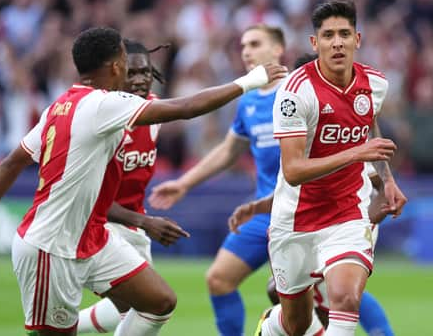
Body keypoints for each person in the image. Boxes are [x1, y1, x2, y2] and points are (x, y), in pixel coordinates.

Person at [0, 26, 287, 336]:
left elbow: (14, 160)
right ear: (116, 65)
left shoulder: (62, 105)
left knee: (159, 303)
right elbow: (187, 108)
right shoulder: (105, 105)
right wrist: (254, 79)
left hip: (92, 235)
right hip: (51, 245)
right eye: (128, 62)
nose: (135, 72)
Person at [149, 27, 398, 336]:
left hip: (316, 208)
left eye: (255, 44)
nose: (246, 52)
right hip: (269, 209)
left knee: (334, 288)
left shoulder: (302, 94)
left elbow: (357, 140)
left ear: (279, 50)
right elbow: (229, 150)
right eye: (242, 45)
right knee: (219, 279)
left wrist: (381, 181)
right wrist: (184, 183)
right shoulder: (249, 102)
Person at [258, 0, 406, 336]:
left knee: (345, 298)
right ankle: (271, 326)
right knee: (295, 324)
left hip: (347, 213)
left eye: (344, 34)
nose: (336, 42)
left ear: (358, 39)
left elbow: (370, 126)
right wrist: (357, 153)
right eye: (328, 36)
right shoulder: (295, 93)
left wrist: (387, 180)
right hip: (295, 219)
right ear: (315, 43)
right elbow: (293, 170)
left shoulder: (376, 84)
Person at [76, 38, 180, 334]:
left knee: (143, 306)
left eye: (144, 72)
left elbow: (189, 108)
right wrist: (146, 222)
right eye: (131, 73)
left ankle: (60, 329)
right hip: (99, 225)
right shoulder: (100, 121)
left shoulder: (155, 111)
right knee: (151, 305)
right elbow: (91, 196)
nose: (138, 80)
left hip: (133, 224)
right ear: (116, 73)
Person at [228, 162, 398, 333]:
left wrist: (356, 227)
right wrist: (256, 207)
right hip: (313, 232)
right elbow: (293, 189)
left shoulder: (351, 145)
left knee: (341, 299)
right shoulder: (302, 146)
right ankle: (273, 325)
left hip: (345, 234)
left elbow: (384, 185)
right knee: (293, 302)